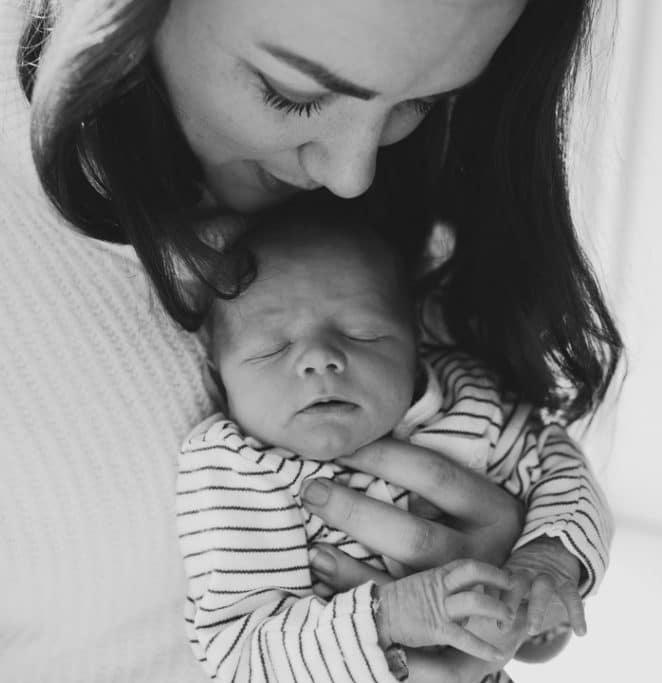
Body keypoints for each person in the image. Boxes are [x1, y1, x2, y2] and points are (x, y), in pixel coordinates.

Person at [0, 0, 623, 682]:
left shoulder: (419, 160)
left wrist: (516, 592)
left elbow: (528, 514)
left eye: (422, 101)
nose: (352, 175)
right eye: (292, 93)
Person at [177, 196, 612, 682]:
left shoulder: (465, 401)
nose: (319, 359)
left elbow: (558, 467)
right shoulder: (237, 469)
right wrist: (387, 615)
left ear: (413, 340)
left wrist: (548, 555)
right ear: (218, 370)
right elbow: (239, 656)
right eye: (272, 346)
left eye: (362, 333)